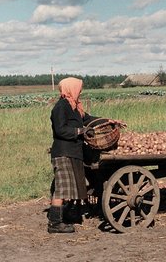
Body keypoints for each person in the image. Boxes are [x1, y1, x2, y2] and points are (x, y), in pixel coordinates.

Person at [48, 77, 125, 233]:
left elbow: (89, 120)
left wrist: (109, 121)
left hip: (74, 152)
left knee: (70, 186)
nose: (81, 91)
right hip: (64, 152)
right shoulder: (60, 107)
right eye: (79, 88)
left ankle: (66, 215)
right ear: (71, 88)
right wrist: (79, 131)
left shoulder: (75, 107)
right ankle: (54, 224)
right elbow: (60, 129)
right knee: (62, 188)